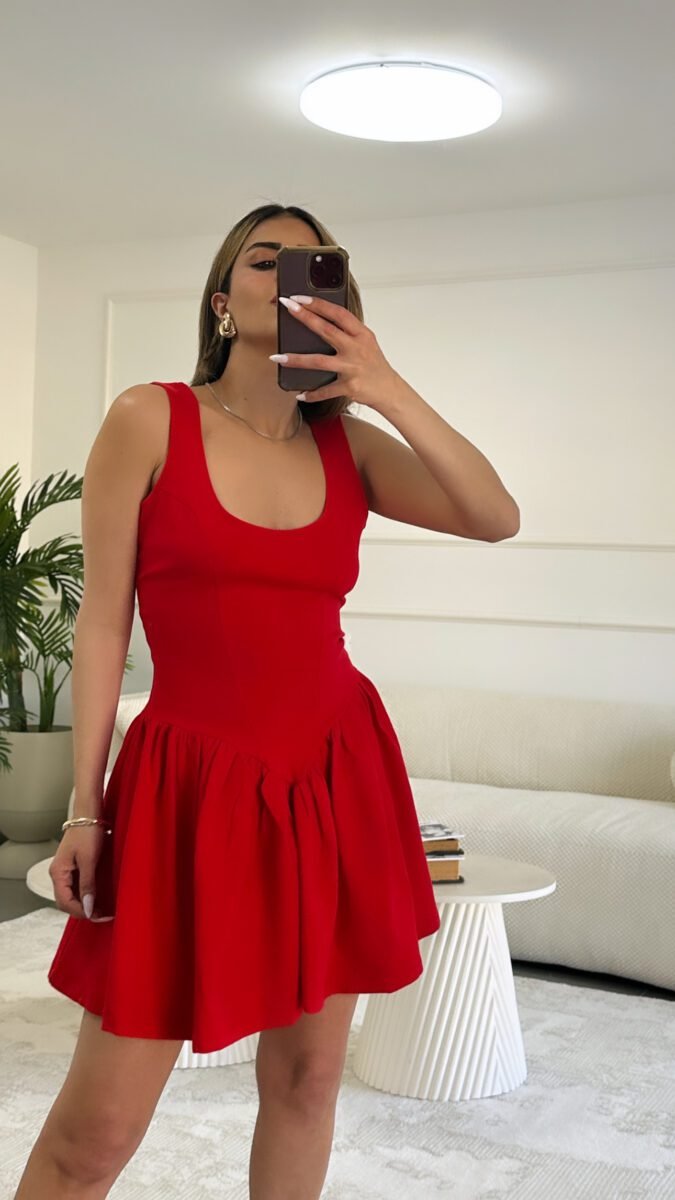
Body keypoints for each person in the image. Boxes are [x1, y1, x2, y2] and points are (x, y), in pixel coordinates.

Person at [13, 202, 519, 1200]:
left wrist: (384, 386)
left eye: (311, 265)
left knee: (307, 1081)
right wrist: (85, 807)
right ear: (220, 299)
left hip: (334, 774)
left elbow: (494, 515)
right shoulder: (149, 417)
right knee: (96, 1132)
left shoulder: (349, 447)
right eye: (262, 260)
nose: (286, 275)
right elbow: (104, 622)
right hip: (187, 783)